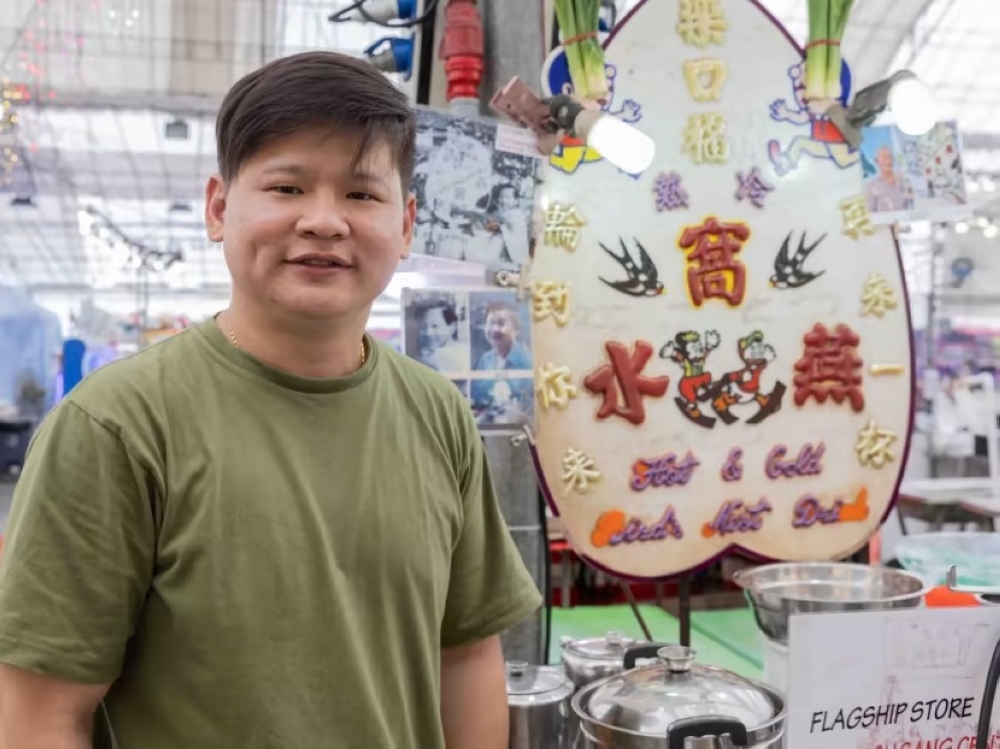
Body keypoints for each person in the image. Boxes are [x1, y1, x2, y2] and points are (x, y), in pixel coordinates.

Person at [0, 51, 541, 749]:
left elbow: (465, 654)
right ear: (219, 208)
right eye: (287, 187)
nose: (324, 221)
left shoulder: (437, 413)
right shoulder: (116, 426)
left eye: (361, 194)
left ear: (406, 225)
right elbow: (41, 710)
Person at [474, 302, 531, 371]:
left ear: (516, 329)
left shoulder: (526, 360)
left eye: (501, 323)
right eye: (491, 323)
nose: (495, 329)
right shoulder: (484, 360)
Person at [416, 300, 469, 373]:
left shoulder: (463, 354)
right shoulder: (420, 358)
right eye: (423, 327)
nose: (428, 333)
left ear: (452, 328)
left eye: (435, 326)